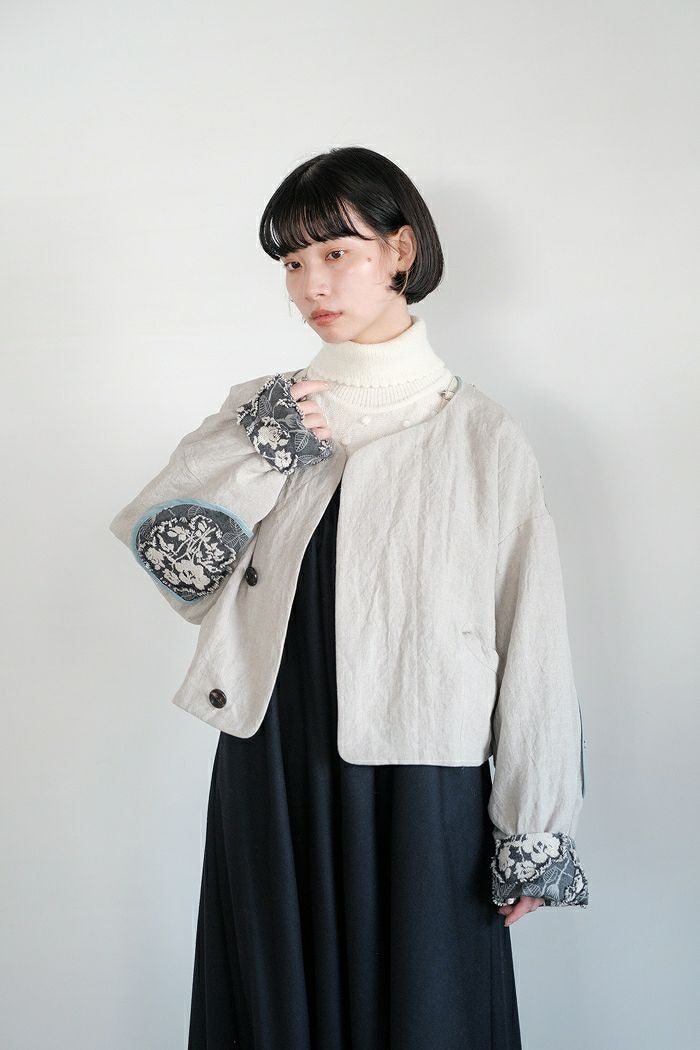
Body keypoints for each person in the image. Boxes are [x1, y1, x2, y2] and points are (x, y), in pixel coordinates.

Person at [110, 146, 588, 1049]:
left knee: (428, 1010)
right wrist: (264, 448)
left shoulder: (481, 437)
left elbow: (533, 641)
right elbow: (173, 561)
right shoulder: (260, 412)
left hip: (424, 775)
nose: (311, 284)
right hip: (274, 761)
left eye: (337, 252)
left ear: (400, 250)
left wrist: (534, 824)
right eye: (293, 261)